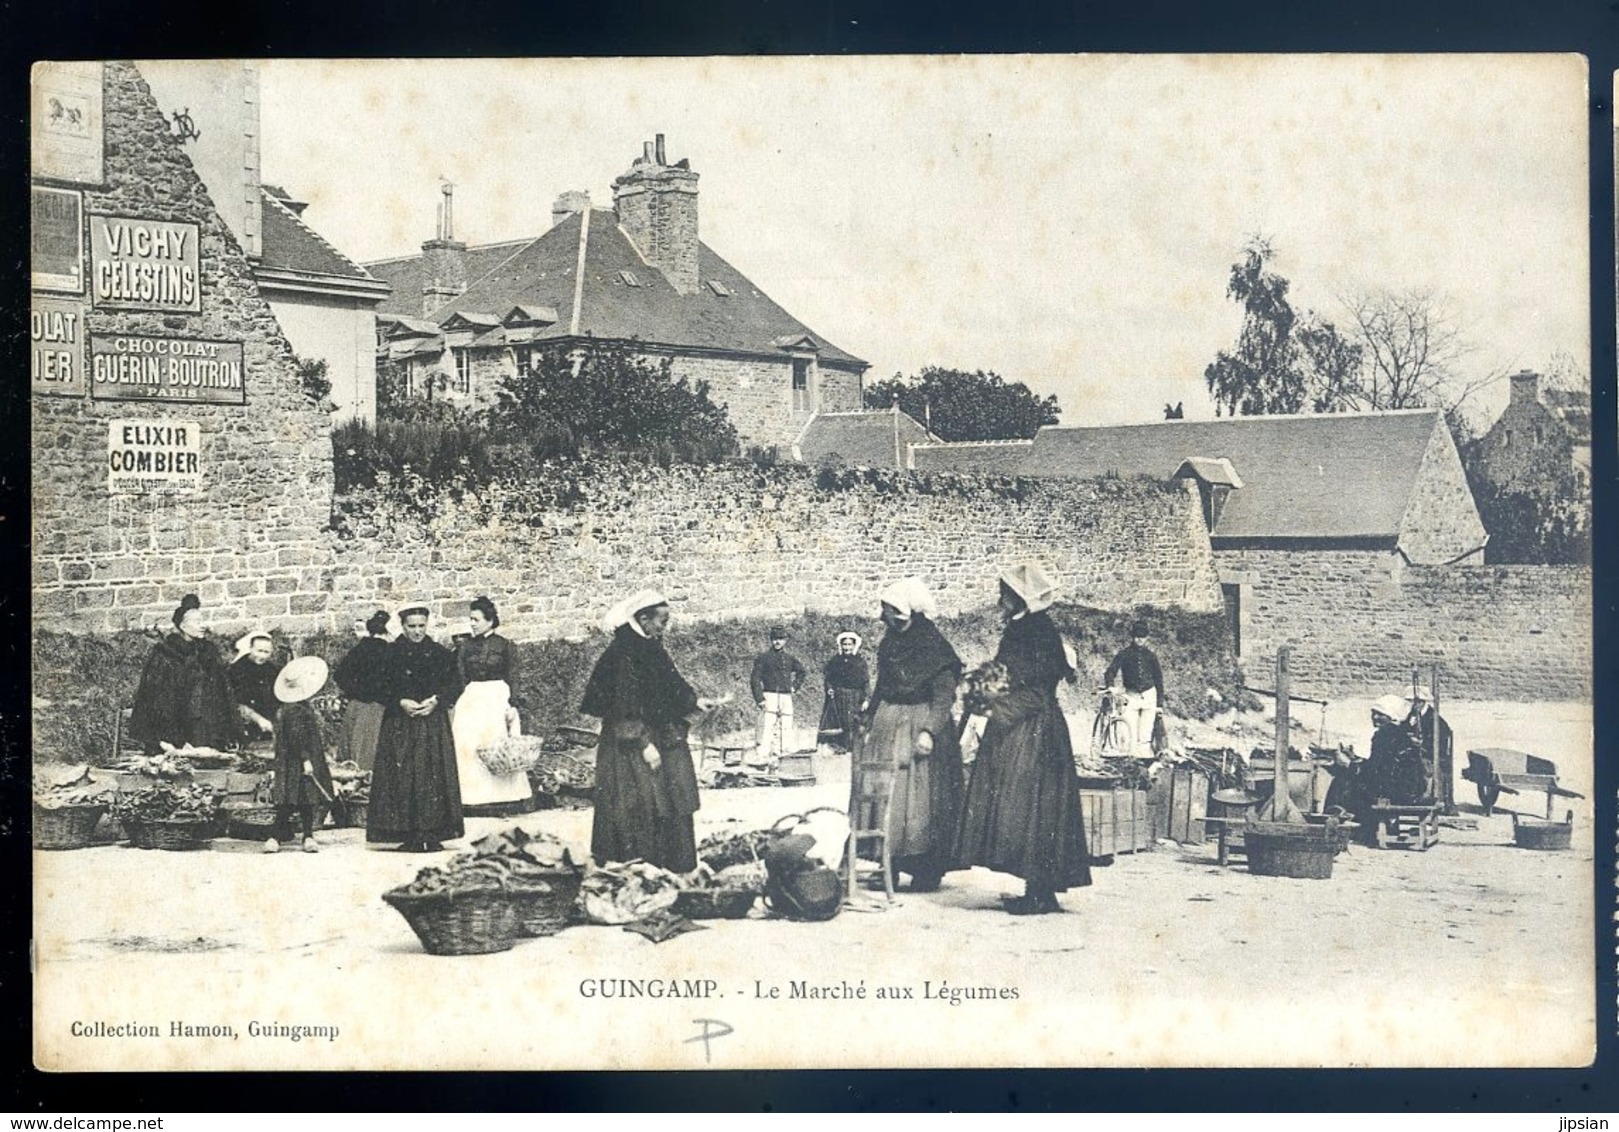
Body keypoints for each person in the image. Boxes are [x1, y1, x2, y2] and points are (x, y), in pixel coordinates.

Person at [955, 564, 1092, 914]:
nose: (1000, 601)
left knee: (1035, 808)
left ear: (1020, 598)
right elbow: (1006, 673)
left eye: (1006, 595)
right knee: (1027, 808)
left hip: (1035, 728)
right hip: (1025, 722)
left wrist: (996, 705)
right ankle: (1037, 889)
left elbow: (1035, 683)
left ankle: (1040, 893)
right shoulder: (1025, 628)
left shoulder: (1035, 631)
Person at [581, 589, 721, 874]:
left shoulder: (651, 646)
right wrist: (643, 744)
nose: (663, 627)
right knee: (640, 804)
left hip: (661, 734)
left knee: (674, 795)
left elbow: (669, 684)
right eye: (661, 621)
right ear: (643, 619)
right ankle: (642, 870)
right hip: (630, 742)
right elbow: (624, 705)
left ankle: (673, 866)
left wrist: (694, 701)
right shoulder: (623, 653)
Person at [862, 577, 964, 892]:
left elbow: (944, 694)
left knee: (922, 801)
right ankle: (888, 864)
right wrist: (868, 718)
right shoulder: (890, 642)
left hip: (921, 725)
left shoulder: (933, 645)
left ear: (904, 612)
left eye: (887, 609)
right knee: (885, 794)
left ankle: (926, 870)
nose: (882, 616)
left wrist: (929, 731)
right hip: (888, 725)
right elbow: (882, 685)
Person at [366, 606, 465, 852]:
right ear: (403, 626)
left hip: (432, 722)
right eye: (412, 626)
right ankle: (406, 833)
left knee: (433, 774)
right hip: (400, 723)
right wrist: (400, 701)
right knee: (402, 775)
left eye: (422, 625)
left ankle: (432, 833)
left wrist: (436, 701)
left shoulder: (440, 653)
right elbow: (376, 685)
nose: (417, 631)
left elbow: (455, 683)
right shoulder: (390, 654)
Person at [451, 596, 533, 815]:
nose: (473, 623)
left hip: (497, 697)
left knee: (497, 745)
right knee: (467, 744)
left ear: (489, 620)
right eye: (471, 619)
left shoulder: (505, 646)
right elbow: (460, 676)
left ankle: (503, 799)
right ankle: (470, 798)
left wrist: (513, 704)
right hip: (472, 697)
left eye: (476, 619)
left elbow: (514, 675)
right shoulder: (466, 646)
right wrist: (461, 698)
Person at [127, 593, 235, 753]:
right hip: (176, 727)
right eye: (197, 622)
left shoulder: (208, 652)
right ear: (183, 626)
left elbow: (221, 690)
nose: (202, 625)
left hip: (204, 725)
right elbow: (157, 698)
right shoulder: (166, 654)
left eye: (202, 621)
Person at [265, 656, 334, 855]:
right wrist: (306, 760)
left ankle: (297, 836)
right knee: (300, 798)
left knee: (293, 798)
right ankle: (293, 836)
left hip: (288, 760)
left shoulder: (291, 707)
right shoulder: (296, 710)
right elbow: (297, 738)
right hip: (297, 760)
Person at [333, 610, 392, 773]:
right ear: (387, 632)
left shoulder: (359, 649)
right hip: (377, 708)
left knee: (354, 749)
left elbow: (340, 675)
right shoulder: (388, 651)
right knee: (369, 751)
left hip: (356, 706)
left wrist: (356, 693)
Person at [1103, 620, 1165, 755]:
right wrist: (1110, 687)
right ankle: (1131, 762)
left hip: (1149, 696)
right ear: (1132, 636)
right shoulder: (1124, 654)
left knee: (1145, 735)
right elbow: (1110, 671)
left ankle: (1144, 762)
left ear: (1147, 638)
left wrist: (1159, 704)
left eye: (1143, 637)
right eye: (1137, 636)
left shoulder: (1151, 656)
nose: (1140, 639)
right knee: (1129, 731)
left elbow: (1159, 680)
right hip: (1131, 696)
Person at [750, 626, 806, 760]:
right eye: (775, 639)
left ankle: (784, 754)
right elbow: (754, 679)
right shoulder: (763, 658)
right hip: (770, 695)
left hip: (786, 696)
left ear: (785, 641)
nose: (777, 642)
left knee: (786, 725)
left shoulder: (789, 658)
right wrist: (760, 698)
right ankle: (762, 756)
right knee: (767, 725)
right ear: (771, 640)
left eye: (780, 639)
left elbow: (802, 672)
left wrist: (794, 687)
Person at [228, 630, 283, 744]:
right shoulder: (237, 670)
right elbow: (236, 703)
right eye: (259, 651)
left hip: (269, 720)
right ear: (250, 649)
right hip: (246, 721)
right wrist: (258, 719)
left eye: (266, 652)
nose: (262, 656)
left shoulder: (272, 670)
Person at [818, 631, 870, 752]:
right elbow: (828, 679)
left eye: (849, 644)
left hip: (854, 698)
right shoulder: (835, 661)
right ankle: (838, 749)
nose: (847, 647)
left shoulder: (860, 662)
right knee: (838, 724)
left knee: (852, 724)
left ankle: (852, 751)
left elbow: (865, 682)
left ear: (854, 646)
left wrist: (866, 699)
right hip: (838, 698)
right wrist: (829, 689)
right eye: (844, 644)